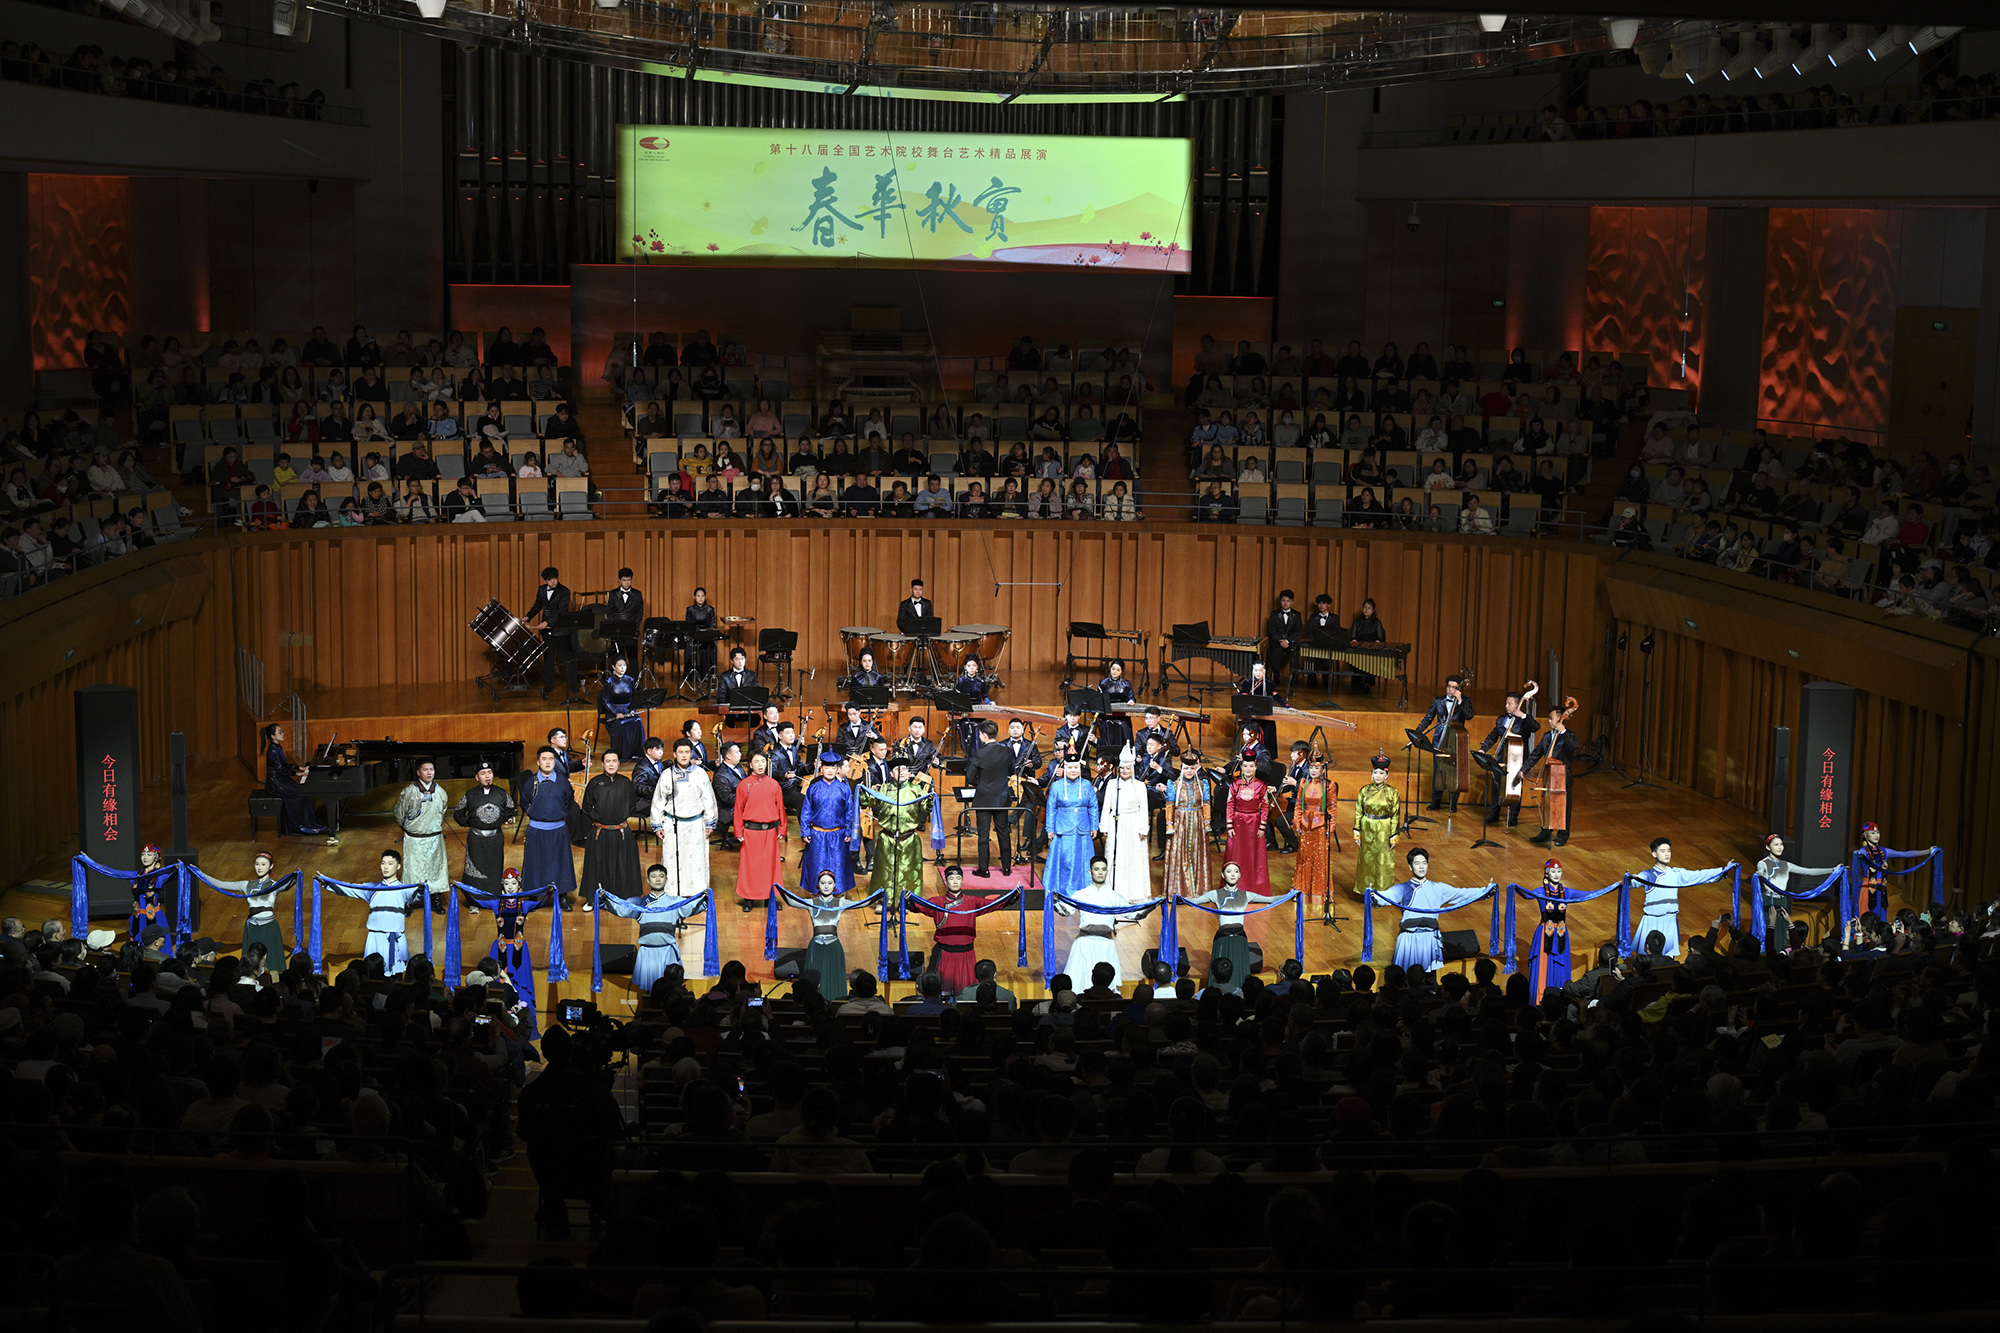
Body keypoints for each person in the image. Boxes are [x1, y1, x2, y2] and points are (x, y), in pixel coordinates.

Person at [1378, 847, 1491, 972]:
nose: (1421, 867)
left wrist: (1485, 891)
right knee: (1404, 979)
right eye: (1417, 863)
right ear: (1410, 867)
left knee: (1429, 981)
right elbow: (1384, 896)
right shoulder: (1403, 888)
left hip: (1429, 939)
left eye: (1424, 863)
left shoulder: (1438, 888)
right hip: (1408, 940)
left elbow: (1463, 893)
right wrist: (1372, 895)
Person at [598, 864, 708, 992]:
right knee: (650, 993)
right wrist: (604, 898)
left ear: (666, 879)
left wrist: (704, 897)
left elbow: (691, 906)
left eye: (661, 876)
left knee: (671, 991)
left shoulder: (675, 902)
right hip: (648, 954)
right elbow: (621, 908)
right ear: (648, 880)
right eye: (654, 876)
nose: (657, 879)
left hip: (668, 952)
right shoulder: (640, 904)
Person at [326, 850, 430, 975]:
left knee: (396, 975)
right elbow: (349, 888)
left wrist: (420, 889)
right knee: (372, 975)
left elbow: (415, 896)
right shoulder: (372, 889)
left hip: (395, 939)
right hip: (374, 939)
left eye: (390, 863)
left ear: (398, 866)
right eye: (383, 863)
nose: (386, 867)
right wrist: (326, 881)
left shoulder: (403, 889)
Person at [1184, 860, 1276, 992]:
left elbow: (1270, 899)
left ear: (1239, 875)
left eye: (1236, 871)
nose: (1233, 874)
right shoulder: (1215, 894)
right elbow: (1194, 902)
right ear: (1222, 875)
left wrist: (1290, 895)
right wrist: (1175, 899)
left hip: (1240, 939)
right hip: (1223, 938)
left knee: (1239, 967)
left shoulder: (1246, 895)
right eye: (1229, 871)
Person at [1632, 836, 1733, 958]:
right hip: (1652, 921)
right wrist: (1628, 880)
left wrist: (1722, 870)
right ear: (1654, 854)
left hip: (1669, 921)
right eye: (1662, 851)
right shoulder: (1647, 875)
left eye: (1668, 850)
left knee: (1668, 958)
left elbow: (1699, 875)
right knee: (1647, 958)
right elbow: (1634, 882)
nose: (1667, 854)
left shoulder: (1676, 873)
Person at [862, 754, 941, 908]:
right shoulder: (884, 789)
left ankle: (906, 902)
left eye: (904, 769)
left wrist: (931, 799)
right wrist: (866, 791)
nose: (901, 772)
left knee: (908, 873)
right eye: (897, 770)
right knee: (885, 872)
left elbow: (925, 807)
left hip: (909, 838)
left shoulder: (916, 789)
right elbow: (867, 801)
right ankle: (883, 900)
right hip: (887, 837)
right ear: (891, 773)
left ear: (909, 773)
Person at [650, 737, 718, 900]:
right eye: (680, 752)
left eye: (687, 752)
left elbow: (708, 798)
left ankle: (698, 894)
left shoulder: (700, 773)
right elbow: (659, 800)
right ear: (674, 754)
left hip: (696, 824)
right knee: (673, 861)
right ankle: (673, 895)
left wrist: (710, 821)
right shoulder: (667, 775)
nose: (684, 755)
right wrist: (657, 824)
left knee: (696, 861)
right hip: (673, 824)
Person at [913, 865, 994, 994]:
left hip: (967, 956)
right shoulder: (937, 902)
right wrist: (907, 899)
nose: (955, 881)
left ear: (962, 881)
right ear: (946, 881)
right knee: (941, 993)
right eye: (951, 878)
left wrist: (1012, 897)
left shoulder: (972, 901)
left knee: (967, 993)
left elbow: (992, 904)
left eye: (958, 878)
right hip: (945, 955)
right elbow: (919, 906)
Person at [519, 745, 581, 909]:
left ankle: (562, 896)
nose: (548, 762)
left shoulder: (562, 782)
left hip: (558, 829)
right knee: (534, 863)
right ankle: (532, 897)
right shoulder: (530, 782)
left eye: (551, 759)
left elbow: (568, 802)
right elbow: (524, 802)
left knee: (561, 863)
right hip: (536, 830)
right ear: (538, 762)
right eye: (544, 759)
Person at [1755, 833, 1844, 943]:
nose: (1779, 847)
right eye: (1776, 844)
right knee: (1769, 929)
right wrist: (1760, 874)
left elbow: (1809, 871)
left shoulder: (1786, 864)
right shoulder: (1763, 863)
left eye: (1781, 844)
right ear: (1768, 847)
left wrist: (1833, 870)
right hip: (1769, 901)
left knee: (1782, 930)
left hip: (1782, 900)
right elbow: (1761, 871)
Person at [790, 870, 862, 1000]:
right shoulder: (811, 903)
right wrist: (777, 889)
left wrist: (879, 895)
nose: (826, 886)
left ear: (835, 885)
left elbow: (862, 903)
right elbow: (791, 902)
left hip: (833, 947)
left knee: (832, 978)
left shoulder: (841, 903)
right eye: (823, 883)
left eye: (830, 883)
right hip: (816, 948)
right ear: (818, 884)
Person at [1476, 684, 1540, 826]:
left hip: (1517, 759)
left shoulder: (1524, 720)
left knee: (1514, 787)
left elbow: (1535, 727)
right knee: (1496, 784)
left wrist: (1523, 715)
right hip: (1501, 757)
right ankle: (1494, 814)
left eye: (1510, 704)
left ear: (1518, 705)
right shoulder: (1501, 719)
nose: (1506, 706)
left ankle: (1513, 817)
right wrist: (1483, 749)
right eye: (1506, 703)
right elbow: (1493, 736)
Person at [580, 751, 640, 903]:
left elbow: (632, 805)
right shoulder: (595, 783)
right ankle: (593, 899)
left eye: (614, 760)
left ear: (619, 763)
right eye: (608, 761)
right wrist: (600, 818)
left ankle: (621, 897)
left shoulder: (626, 782)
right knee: (596, 866)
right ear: (603, 764)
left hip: (621, 831)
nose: (611, 764)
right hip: (601, 831)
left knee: (622, 864)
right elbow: (587, 807)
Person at [800, 749, 861, 896]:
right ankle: (817, 892)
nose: (829, 770)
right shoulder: (813, 788)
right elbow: (806, 810)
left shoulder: (844, 789)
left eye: (833, 767)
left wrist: (848, 832)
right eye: (827, 767)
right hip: (817, 834)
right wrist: (805, 831)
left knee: (838, 864)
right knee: (816, 863)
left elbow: (849, 812)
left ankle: (838, 892)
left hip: (838, 834)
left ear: (837, 769)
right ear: (822, 768)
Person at [1057, 854, 1123, 988]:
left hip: (1106, 944)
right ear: (1090, 872)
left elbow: (1133, 913)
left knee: (1107, 988)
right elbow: (1067, 911)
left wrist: (1152, 905)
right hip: (1084, 944)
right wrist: (1053, 904)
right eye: (1097, 869)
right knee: (1079, 985)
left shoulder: (1114, 896)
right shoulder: (1081, 895)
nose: (1100, 873)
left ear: (1107, 872)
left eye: (1103, 869)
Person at [732, 750, 786, 913]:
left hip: (769, 832)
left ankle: (771, 896)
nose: (760, 765)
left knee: (771, 866)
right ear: (750, 765)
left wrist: (782, 827)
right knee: (750, 867)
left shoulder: (774, 784)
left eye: (763, 761)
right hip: (750, 832)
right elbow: (738, 809)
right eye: (756, 762)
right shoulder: (744, 785)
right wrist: (739, 831)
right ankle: (749, 898)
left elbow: (780, 808)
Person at [452, 760, 516, 896]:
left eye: (490, 772)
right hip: (476, 837)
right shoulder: (470, 795)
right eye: (483, 773)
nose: (487, 776)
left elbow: (511, 808)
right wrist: (470, 822)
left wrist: (498, 820)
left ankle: (494, 896)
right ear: (477, 777)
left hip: (495, 837)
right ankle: (474, 899)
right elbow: (458, 813)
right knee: (475, 868)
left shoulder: (501, 793)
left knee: (495, 867)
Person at [1098, 747, 1151, 908]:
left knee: (1133, 857)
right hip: (1117, 822)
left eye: (1128, 768)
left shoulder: (1140, 786)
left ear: (1132, 769)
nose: (1124, 771)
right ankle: (1114, 891)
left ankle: (1134, 893)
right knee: (1116, 856)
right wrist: (1104, 825)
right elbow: (1107, 805)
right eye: (1122, 768)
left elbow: (1143, 808)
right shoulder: (1113, 784)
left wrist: (1143, 828)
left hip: (1134, 823)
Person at [1526, 697, 1580, 847]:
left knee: (1564, 808)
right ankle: (1545, 832)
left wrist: (1563, 731)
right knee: (1547, 804)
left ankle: (1563, 835)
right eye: (1549, 718)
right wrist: (1524, 770)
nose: (1550, 721)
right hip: (1550, 776)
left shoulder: (1569, 735)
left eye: (1552, 718)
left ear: (1561, 717)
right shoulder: (1546, 737)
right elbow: (1535, 755)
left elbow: (1574, 746)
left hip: (1563, 777)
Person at [1160, 750, 1212, 902]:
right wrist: (1170, 824)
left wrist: (1207, 821)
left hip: (1197, 824)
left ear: (1196, 768)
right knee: (1179, 855)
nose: (1189, 771)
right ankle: (1179, 891)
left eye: (1192, 768)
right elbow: (1169, 806)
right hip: (1180, 825)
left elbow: (1206, 804)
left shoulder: (1203, 785)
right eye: (1186, 768)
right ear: (1182, 768)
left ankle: (1198, 892)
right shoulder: (1174, 785)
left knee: (1197, 854)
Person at [260, 722, 329, 837]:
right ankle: (300, 827)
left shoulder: (277, 747)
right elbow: (281, 770)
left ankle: (309, 824)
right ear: (272, 736)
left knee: (303, 793)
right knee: (299, 795)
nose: (283, 734)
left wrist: (300, 768)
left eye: (282, 731)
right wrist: (298, 773)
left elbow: (285, 764)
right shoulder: (272, 750)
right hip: (276, 783)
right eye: (279, 732)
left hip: (281, 780)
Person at [966, 720, 1015, 876]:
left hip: (983, 799)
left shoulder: (980, 754)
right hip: (1001, 798)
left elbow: (970, 778)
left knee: (983, 834)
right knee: (1003, 832)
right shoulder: (1008, 752)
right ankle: (1007, 868)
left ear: (984, 735)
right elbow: (1011, 771)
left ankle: (984, 869)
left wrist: (979, 783)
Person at [1419, 674, 1473, 812]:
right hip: (1440, 740)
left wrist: (1460, 700)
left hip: (1456, 741)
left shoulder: (1465, 701)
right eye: (1449, 687)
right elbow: (1428, 718)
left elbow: (1469, 716)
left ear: (1459, 689)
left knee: (1455, 772)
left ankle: (1452, 804)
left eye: (1454, 688)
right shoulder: (1438, 701)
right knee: (1439, 770)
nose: (1451, 690)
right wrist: (1418, 732)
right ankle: (1435, 802)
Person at [397, 759, 450, 898]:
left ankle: (436, 900)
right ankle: (410, 900)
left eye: (431, 769)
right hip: (415, 839)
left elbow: (442, 811)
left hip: (434, 838)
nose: (429, 772)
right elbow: (399, 813)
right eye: (425, 769)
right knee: (412, 872)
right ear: (418, 772)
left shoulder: (441, 792)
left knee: (436, 870)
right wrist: (409, 827)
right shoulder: (408, 792)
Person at [527, 565, 579, 701]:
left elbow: (561, 611)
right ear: (545, 581)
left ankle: (573, 686)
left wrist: (547, 623)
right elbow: (537, 605)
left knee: (567, 659)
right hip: (548, 632)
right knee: (548, 661)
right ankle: (548, 687)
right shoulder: (541, 590)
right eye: (550, 580)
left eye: (555, 579)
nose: (553, 582)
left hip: (562, 630)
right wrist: (527, 617)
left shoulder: (565, 591)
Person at [1291, 755, 1335, 910]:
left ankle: (1319, 892)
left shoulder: (1329, 785)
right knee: (1304, 857)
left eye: (1317, 768)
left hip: (1321, 825)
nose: (1314, 770)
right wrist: (1296, 821)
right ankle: (1302, 890)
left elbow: (1332, 807)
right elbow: (1298, 804)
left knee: (1319, 858)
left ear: (1323, 769)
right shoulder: (1304, 783)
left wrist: (1331, 827)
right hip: (1305, 824)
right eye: (1311, 768)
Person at [1222, 758, 1272, 894]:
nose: (1248, 769)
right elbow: (1230, 805)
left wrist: (1262, 826)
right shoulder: (1235, 785)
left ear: (1255, 768)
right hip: (1238, 822)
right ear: (1241, 768)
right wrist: (1230, 825)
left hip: (1254, 823)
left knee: (1254, 854)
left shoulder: (1261, 785)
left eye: (1251, 766)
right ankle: (1233, 887)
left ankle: (1254, 887)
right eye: (1245, 766)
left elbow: (1265, 806)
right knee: (1236, 853)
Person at [1525, 859, 1570, 1001]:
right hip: (1545, 933)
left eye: (1559, 871)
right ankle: (1540, 999)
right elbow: (1526, 895)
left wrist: (1610, 888)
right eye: (1553, 871)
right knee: (1543, 968)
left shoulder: (1566, 892)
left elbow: (1588, 895)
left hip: (1561, 933)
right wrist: (1514, 887)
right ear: (1546, 872)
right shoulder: (1540, 891)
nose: (1557, 874)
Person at [236, 851, 290, 966]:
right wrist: (200, 873)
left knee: (272, 963)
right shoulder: (246, 885)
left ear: (271, 866)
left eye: (263, 864)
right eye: (257, 864)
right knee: (250, 962)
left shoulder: (275, 885)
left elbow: (289, 884)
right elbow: (220, 884)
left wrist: (296, 875)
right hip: (252, 928)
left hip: (269, 928)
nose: (259, 867)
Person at [598, 655, 643, 764]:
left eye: (624, 665)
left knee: (638, 721)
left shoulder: (630, 680)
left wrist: (633, 710)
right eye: (619, 665)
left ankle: (636, 754)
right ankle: (622, 755)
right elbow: (605, 700)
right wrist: (615, 713)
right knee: (621, 724)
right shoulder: (609, 682)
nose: (622, 668)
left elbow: (635, 697)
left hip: (627, 710)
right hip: (613, 712)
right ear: (614, 667)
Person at [1265, 590, 1303, 694]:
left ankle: (1293, 681)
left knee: (1295, 657)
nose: (1285, 603)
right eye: (1283, 601)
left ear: (1292, 602)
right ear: (1280, 601)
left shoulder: (1297, 615)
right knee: (1274, 659)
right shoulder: (1274, 614)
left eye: (1288, 601)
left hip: (1291, 642)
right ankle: (1276, 678)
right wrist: (1280, 641)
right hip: (1277, 642)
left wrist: (1287, 641)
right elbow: (1271, 630)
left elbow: (1298, 631)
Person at [1096, 659, 1137, 755]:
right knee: (1106, 724)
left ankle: (1125, 753)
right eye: (1113, 669)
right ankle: (1107, 753)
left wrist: (1131, 701)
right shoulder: (1103, 683)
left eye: (1118, 670)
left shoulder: (1126, 684)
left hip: (1121, 715)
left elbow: (1131, 697)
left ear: (1121, 671)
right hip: (1107, 714)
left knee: (1123, 724)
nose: (1115, 672)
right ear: (1110, 669)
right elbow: (1098, 698)